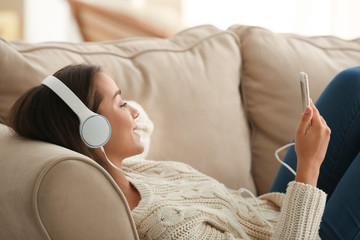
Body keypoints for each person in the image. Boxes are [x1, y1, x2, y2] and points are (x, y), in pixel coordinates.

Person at [7, 64, 358, 239]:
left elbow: (140, 125)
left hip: (278, 211)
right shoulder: (169, 228)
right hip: (303, 231)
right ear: (91, 130)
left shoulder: (132, 172)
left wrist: (108, 119)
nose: (132, 110)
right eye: (121, 102)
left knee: (351, 83)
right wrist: (309, 166)